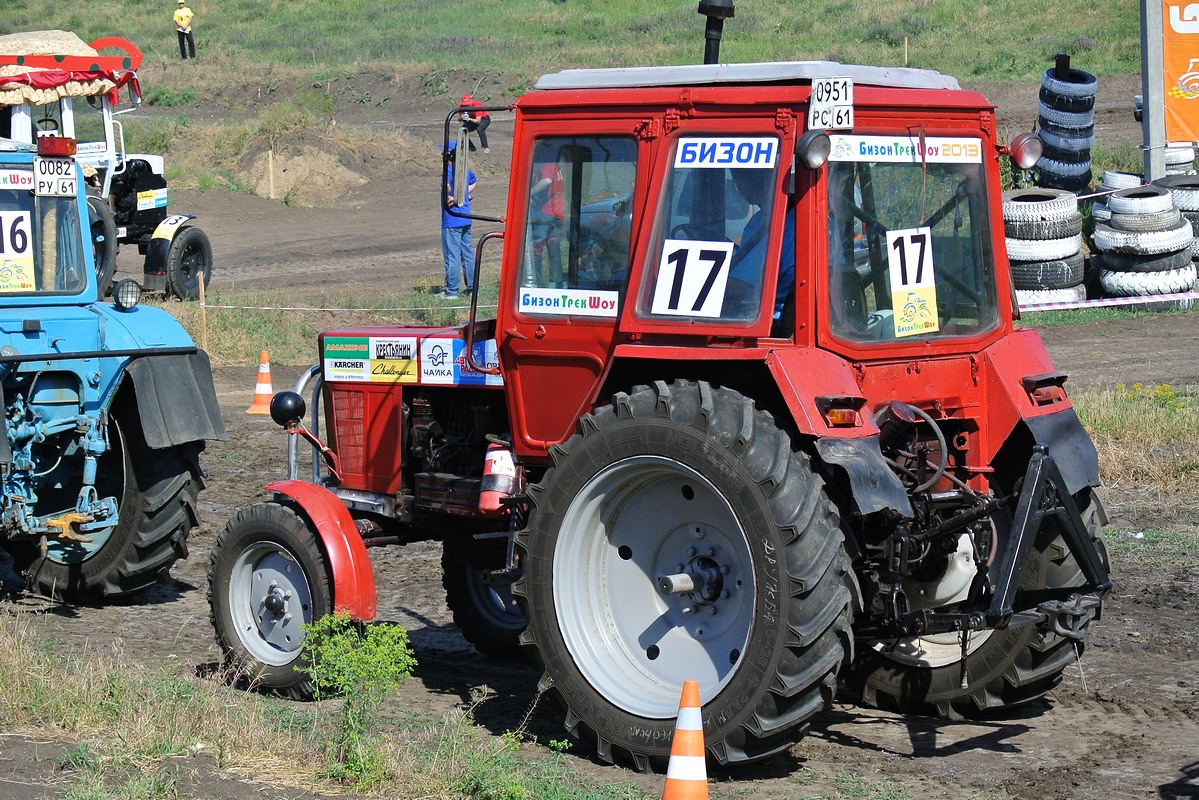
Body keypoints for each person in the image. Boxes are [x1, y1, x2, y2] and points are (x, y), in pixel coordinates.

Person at [727, 167, 795, 328]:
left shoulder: (763, 224)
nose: (739, 188)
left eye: (739, 181)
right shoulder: (819, 218)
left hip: (775, 323)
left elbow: (736, 291)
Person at [440, 142, 477, 299]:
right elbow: (474, 180)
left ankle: (451, 291)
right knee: (467, 253)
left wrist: (452, 194)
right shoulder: (464, 171)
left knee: (452, 256)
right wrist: (463, 193)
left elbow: (447, 187)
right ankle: (472, 289)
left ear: (449, 156)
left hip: (451, 219)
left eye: (443, 154)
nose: (441, 156)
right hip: (465, 217)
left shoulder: (448, 171)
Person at [528, 159, 564, 286]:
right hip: (557, 214)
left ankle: (536, 283)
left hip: (545, 215)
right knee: (554, 249)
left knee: (536, 249)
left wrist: (527, 193)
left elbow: (546, 181)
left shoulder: (548, 165)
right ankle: (557, 282)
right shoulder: (557, 168)